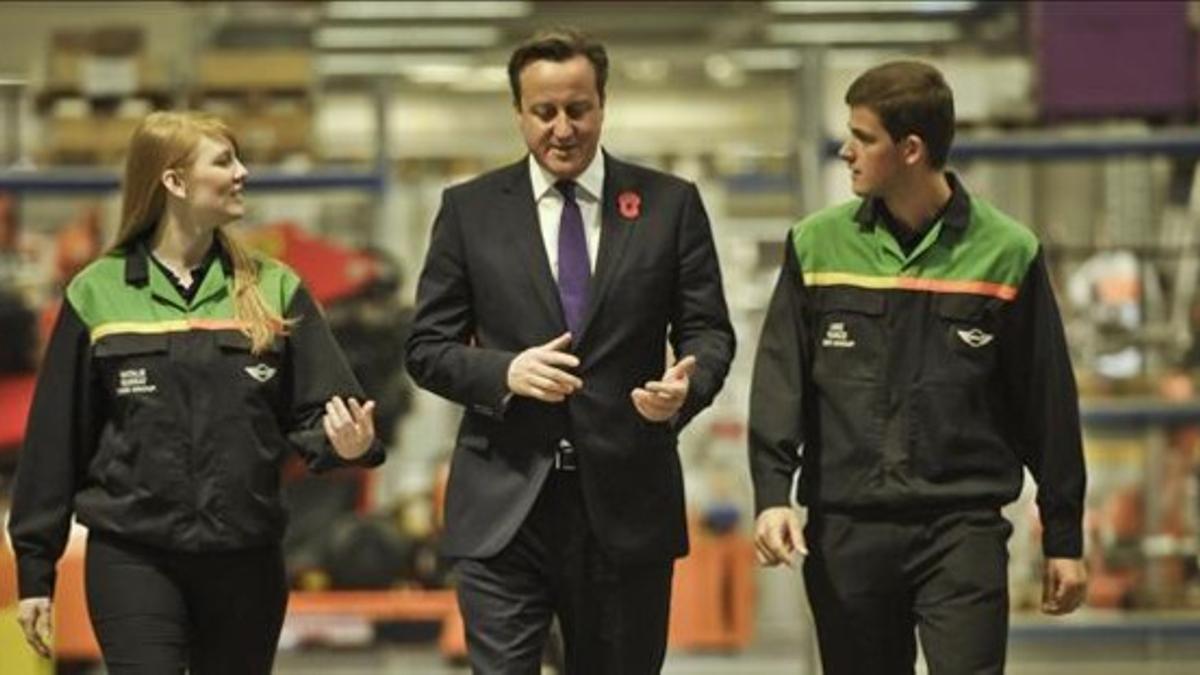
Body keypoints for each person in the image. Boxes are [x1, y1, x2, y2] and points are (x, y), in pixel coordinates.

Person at [405, 27, 735, 674]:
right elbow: (426, 346)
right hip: (505, 503)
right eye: (544, 112)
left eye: (577, 109)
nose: (562, 128)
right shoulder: (469, 211)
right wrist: (505, 370)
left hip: (625, 500)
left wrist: (684, 390)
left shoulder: (670, 206)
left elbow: (709, 332)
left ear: (602, 104)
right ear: (518, 113)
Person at [8, 111, 384, 674]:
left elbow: (321, 411)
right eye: (224, 161)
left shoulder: (275, 287)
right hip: (134, 556)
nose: (243, 172)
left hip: (245, 561)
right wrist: (35, 573)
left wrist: (348, 445)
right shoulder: (98, 293)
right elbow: (54, 442)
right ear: (174, 181)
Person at [749, 61, 1088, 674]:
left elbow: (1046, 403)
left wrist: (1064, 538)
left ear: (910, 149)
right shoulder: (817, 244)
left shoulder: (1007, 252)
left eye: (864, 137)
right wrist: (772, 494)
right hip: (848, 530)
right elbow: (781, 382)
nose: (847, 151)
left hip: (961, 529)